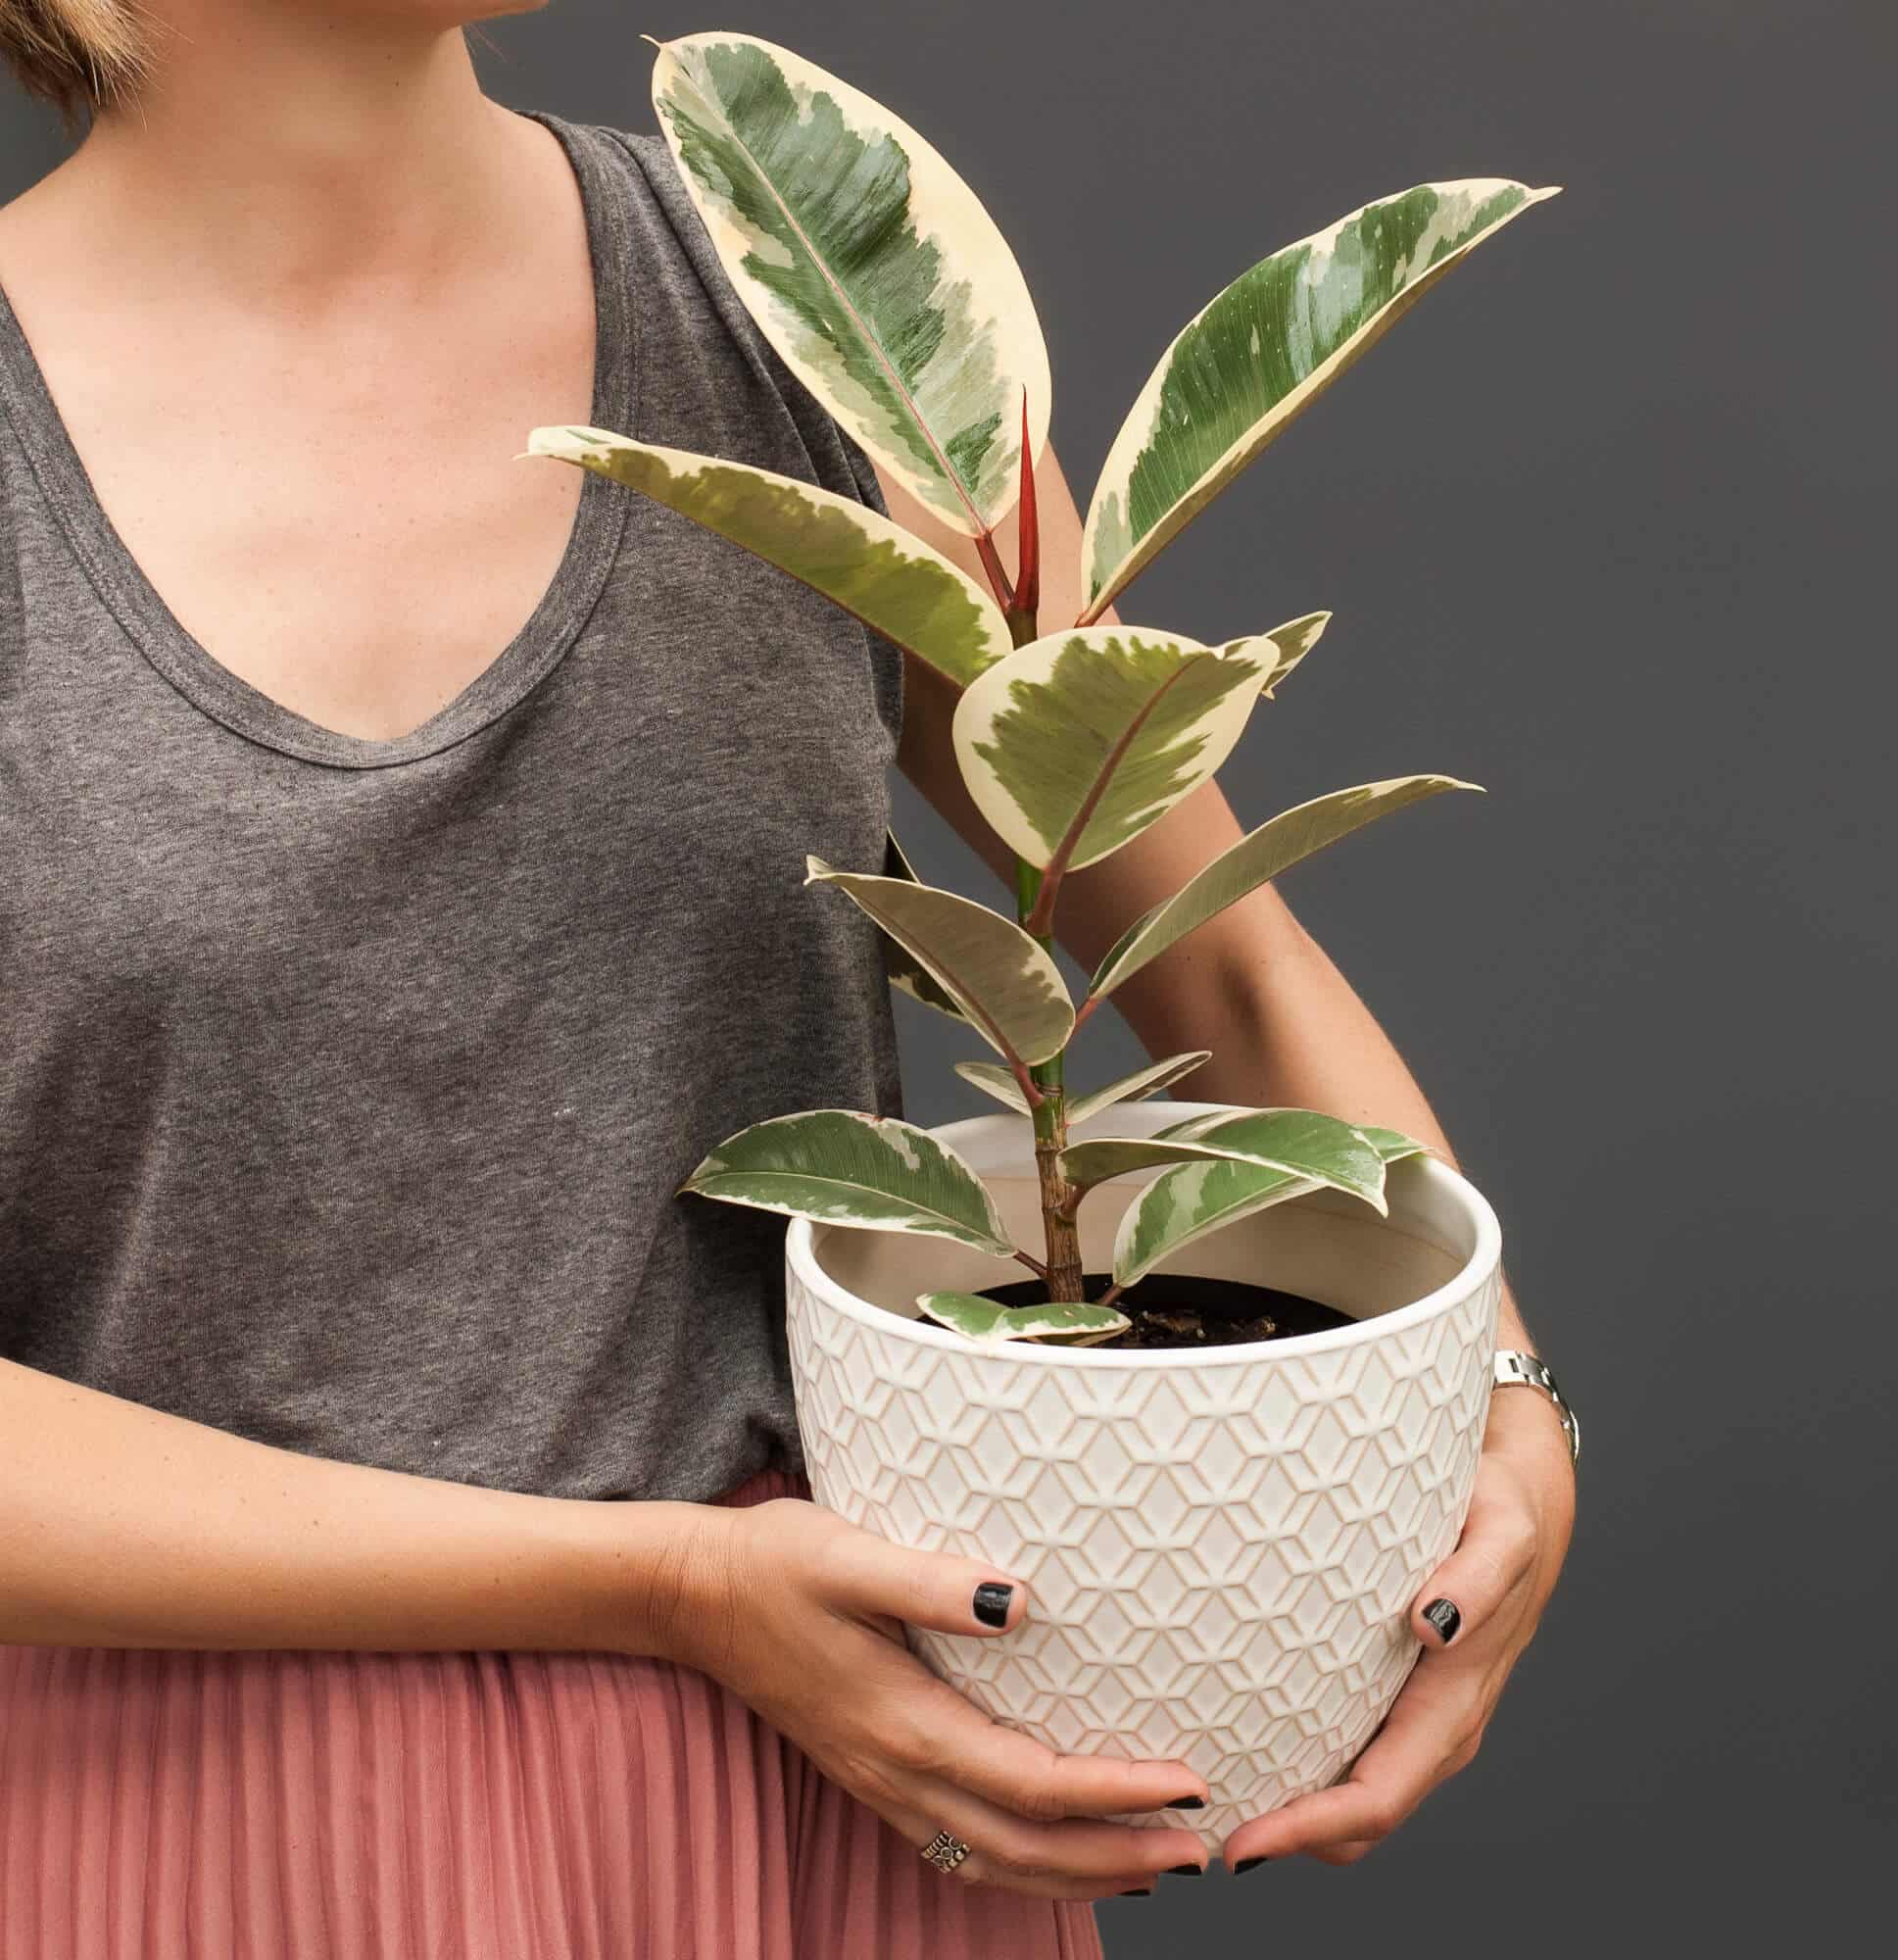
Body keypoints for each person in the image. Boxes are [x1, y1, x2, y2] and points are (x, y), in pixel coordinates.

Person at [0, 4, 1578, 1955]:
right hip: (177, 1833)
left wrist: (1490, 1390)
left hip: (821, 1802)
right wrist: (657, 1586)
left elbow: (1218, 955)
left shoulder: (805, 300)